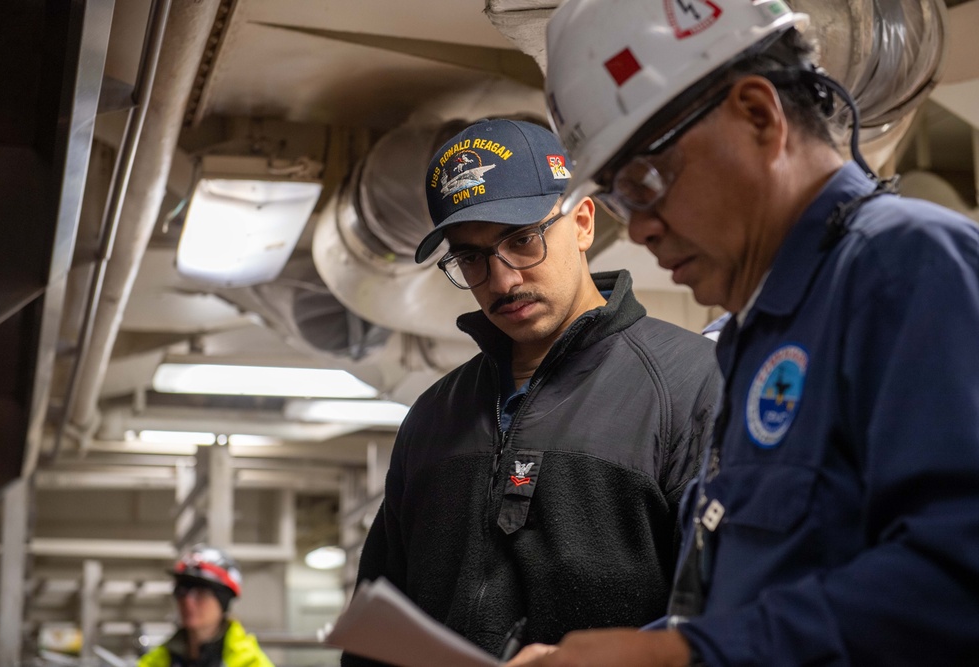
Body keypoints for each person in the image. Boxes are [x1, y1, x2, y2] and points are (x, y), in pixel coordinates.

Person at [505, 0, 979, 665]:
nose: (637, 228)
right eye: (614, 198)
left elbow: (957, 575)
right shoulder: (754, 335)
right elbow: (751, 606)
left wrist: (678, 657)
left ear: (759, 115)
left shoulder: (906, 269)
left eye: (643, 181)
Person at [340, 119, 721, 665]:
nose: (502, 280)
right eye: (470, 257)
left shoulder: (692, 386)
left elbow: (733, 613)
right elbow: (376, 627)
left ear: (584, 222)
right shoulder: (432, 417)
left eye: (522, 240)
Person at [140, 544, 274, 667]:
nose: (187, 601)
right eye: (182, 591)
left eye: (201, 592)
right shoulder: (157, 661)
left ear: (223, 600)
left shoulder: (250, 663)